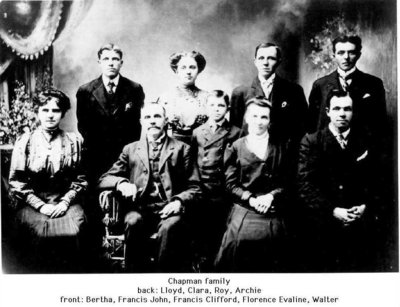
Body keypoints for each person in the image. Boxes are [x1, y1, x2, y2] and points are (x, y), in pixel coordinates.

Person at [98, 102, 201, 272]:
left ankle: (162, 278)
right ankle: (135, 276)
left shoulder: (183, 149)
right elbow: (104, 179)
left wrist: (178, 202)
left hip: (169, 210)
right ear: (141, 122)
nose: (152, 121)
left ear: (165, 120)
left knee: (170, 227)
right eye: (148, 117)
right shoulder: (130, 149)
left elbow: (195, 187)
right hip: (139, 208)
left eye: (157, 116)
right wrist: (121, 183)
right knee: (132, 222)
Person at [298, 89, 378, 272]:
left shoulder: (366, 140)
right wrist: (333, 211)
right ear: (327, 111)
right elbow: (304, 185)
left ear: (353, 111)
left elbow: (377, 181)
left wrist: (364, 207)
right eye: (336, 109)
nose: (342, 114)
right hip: (323, 222)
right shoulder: (311, 141)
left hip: (359, 222)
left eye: (347, 109)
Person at [9, 88, 88, 272]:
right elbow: (17, 182)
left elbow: (81, 179)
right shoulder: (25, 141)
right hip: (32, 202)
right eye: (45, 110)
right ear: (37, 112)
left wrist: (65, 201)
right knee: (36, 235)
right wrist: (41, 205)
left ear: (62, 113)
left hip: (66, 200)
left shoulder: (74, 141)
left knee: (75, 229)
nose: (50, 115)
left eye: (55, 110)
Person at [215, 97, 289, 272]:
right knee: (236, 243)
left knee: (278, 243)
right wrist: (251, 199)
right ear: (247, 118)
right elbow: (231, 185)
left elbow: (287, 181)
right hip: (244, 206)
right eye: (254, 116)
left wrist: (271, 196)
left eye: (264, 117)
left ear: (270, 120)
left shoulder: (281, 146)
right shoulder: (235, 147)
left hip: (273, 206)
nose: (259, 122)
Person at [76, 43, 145, 185]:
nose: (111, 63)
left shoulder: (134, 89)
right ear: (99, 62)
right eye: (106, 59)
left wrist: (126, 153)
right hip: (95, 156)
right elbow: (83, 126)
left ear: (121, 63)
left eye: (115, 59)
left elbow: (135, 126)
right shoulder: (85, 91)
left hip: (124, 156)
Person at [191, 90, 241, 271]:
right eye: (212, 105)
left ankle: (217, 266)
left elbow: (236, 165)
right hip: (200, 188)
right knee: (199, 230)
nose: (216, 109)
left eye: (220, 105)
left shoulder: (236, 132)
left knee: (218, 232)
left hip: (222, 191)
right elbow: (193, 163)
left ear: (227, 108)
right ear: (206, 107)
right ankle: (200, 264)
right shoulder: (197, 132)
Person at [230, 42, 308, 148]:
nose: (265, 63)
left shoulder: (294, 90)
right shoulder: (240, 93)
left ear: (278, 61)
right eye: (261, 58)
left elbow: (302, 129)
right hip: (251, 155)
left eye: (271, 58)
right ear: (255, 61)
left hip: (283, 154)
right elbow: (235, 131)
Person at [308, 35, 386, 139]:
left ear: (358, 55)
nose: (346, 57)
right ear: (334, 55)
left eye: (351, 52)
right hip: (327, 149)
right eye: (341, 53)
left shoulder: (374, 84)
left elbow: (380, 123)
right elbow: (312, 123)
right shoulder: (320, 85)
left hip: (361, 146)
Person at [159, 51, 209, 144]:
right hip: (173, 149)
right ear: (176, 70)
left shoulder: (207, 97)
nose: (188, 72)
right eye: (183, 68)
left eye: (192, 67)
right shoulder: (165, 97)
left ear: (198, 70)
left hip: (200, 148)